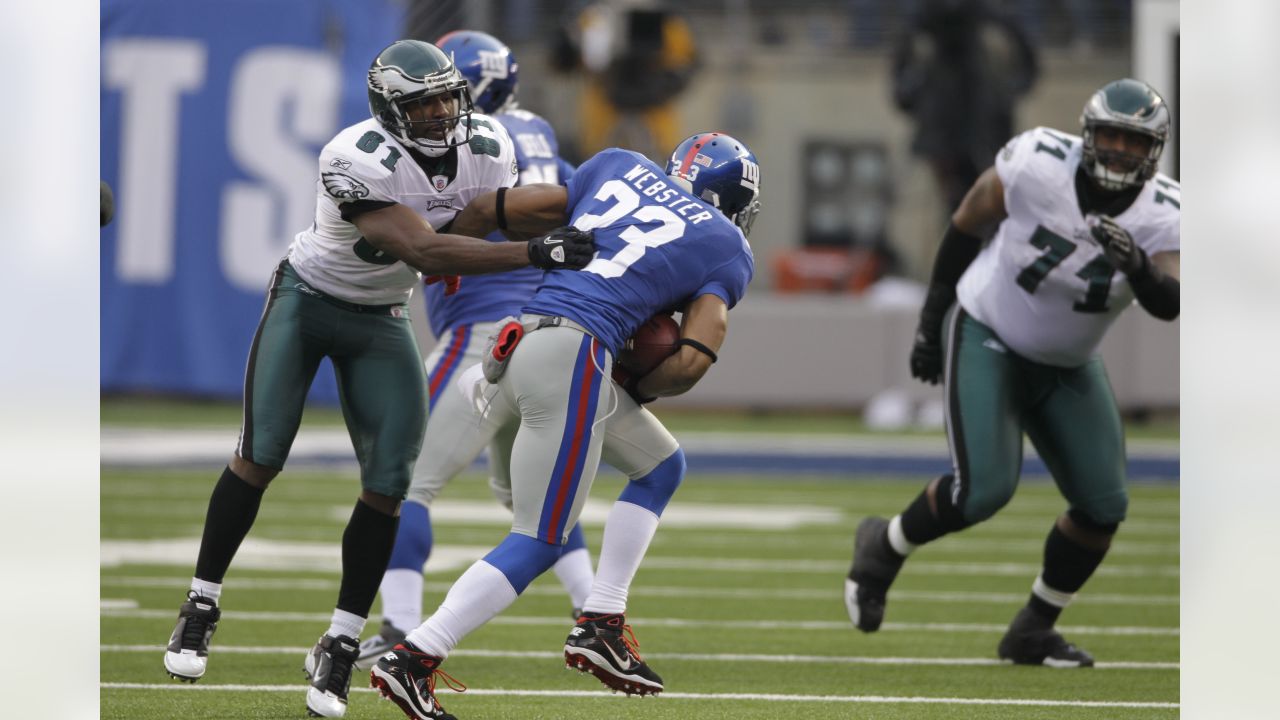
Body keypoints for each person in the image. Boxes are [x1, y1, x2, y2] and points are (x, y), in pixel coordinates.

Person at [160, 39, 595, 719]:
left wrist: (587, 221)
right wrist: (538, 250)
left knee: (390, 484)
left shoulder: (490, 144)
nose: (439, 113)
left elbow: (480, 218)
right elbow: (422, 247)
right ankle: (201, 602)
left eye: (447, 98)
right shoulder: (351, 154)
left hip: (382, 315)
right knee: (260, 453)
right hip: (308, 301)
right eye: (422, 104)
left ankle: (340, 642)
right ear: (390, 110)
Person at [368, 131, 760, 719]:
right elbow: (689, 361)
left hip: (518, 338)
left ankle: (601, 618)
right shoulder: (725, 243)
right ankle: (413, 658)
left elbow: (496, 209)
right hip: (575, 355)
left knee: (660, 466)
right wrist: (637, 385)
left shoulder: (618, 165)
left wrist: (451, 256)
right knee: (538, 537)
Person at [845, 78, 1179, 667]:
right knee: (982, 492)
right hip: (989, 333)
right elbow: (966, 222)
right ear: (1087, 135)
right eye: (1112, 136)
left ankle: (1033, 628)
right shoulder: (1036, 163)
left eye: (1135, 142)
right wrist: (931, 320)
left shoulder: (1165, 213)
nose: (1122, 151)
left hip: (1069, 364)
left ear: (1154, 150)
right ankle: (883, 545)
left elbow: (1171, 301)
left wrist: (1141, 269)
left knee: (1103, 506)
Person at [354, 29, 595, 669]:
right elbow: (578, 210)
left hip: (482, 336)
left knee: (402, 484)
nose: (434, 106)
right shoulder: (540, 135)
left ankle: (401, 625)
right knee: (533, 499)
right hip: (548, 330)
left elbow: (433, 238)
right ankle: (594, 611)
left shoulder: (471, 144)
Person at [891, 0, 1038, 215]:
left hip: (985, 127)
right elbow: (901, 78)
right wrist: (911, 95)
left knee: (992, 202)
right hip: (941, 130)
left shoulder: (989, 18)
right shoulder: (925, 21)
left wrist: (1011, 90)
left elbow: (1027, 62)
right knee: (949, 206)